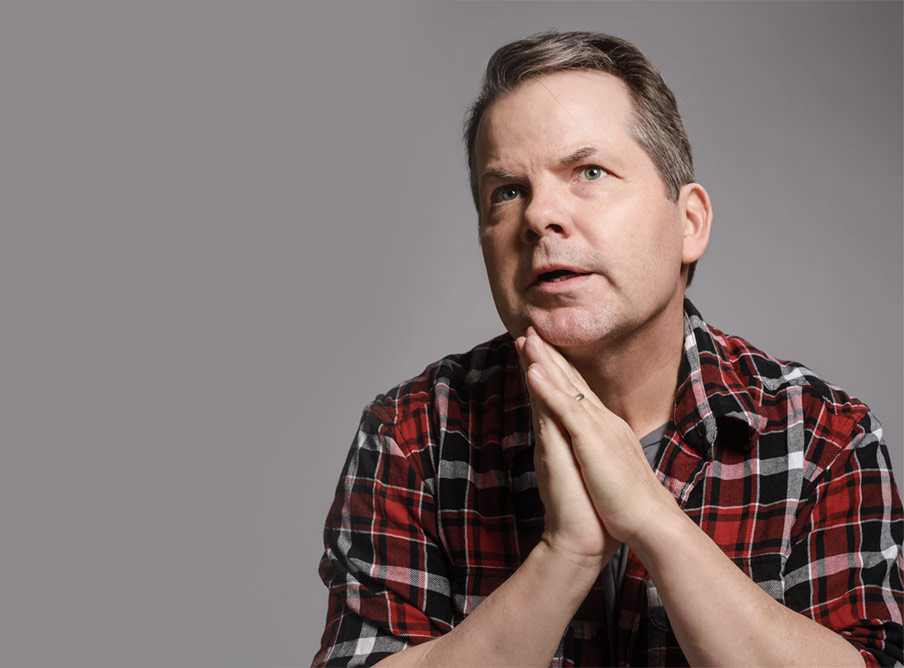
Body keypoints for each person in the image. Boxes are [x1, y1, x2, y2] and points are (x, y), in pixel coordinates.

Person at [312, 31, 903, 667]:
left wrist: (655, 522)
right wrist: (565, 556)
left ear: (689, 222)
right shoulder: (413, 434)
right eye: (506, 192)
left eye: (589, 172)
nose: (539, 216)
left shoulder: (825, 437)